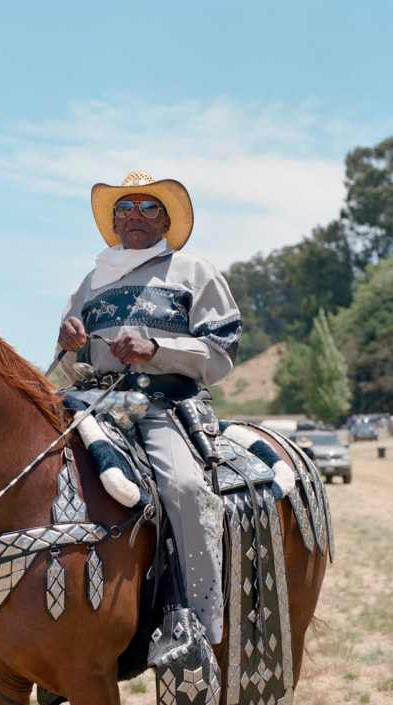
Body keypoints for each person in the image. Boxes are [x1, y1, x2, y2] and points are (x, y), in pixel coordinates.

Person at [56, 171, 241, 644]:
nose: (135, 216)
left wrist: (154, 348)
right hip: (93, 401)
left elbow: (220, 354)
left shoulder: (193, 271)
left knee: (181, 486)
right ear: (114, 221)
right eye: (125, 208)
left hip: (159, 403)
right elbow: (70, 370)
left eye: (148, 207)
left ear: (165, 220)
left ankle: (200, 623)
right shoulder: (91, 283)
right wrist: (69, 348)